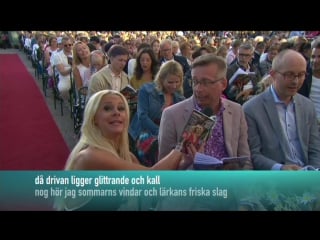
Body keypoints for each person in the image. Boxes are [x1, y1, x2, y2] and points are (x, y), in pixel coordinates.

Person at [57, 90, 195, 211]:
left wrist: (183, 164)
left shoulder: (126, 156)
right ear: (94, 120)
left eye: (121, 108)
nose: (116, 113)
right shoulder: (90, 156)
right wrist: (181, 145)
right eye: (107, 108)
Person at [158, 54, 252, 170]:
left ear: (223, 84)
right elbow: (163, 172)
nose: (198, 88)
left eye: (206, 82)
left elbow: (245, 159)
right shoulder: (172, 115)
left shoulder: (236, 110)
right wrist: (186, 163)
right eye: (195, 82)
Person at [242, 49, 320, 170]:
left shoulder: (307, 106)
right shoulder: (251, 109)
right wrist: (280, 168)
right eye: (289, 75)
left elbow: (315, 148)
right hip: (275, 180)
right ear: (273, 74)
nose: (295, 81)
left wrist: (314, 174)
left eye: (301, 75)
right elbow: (254, 155)